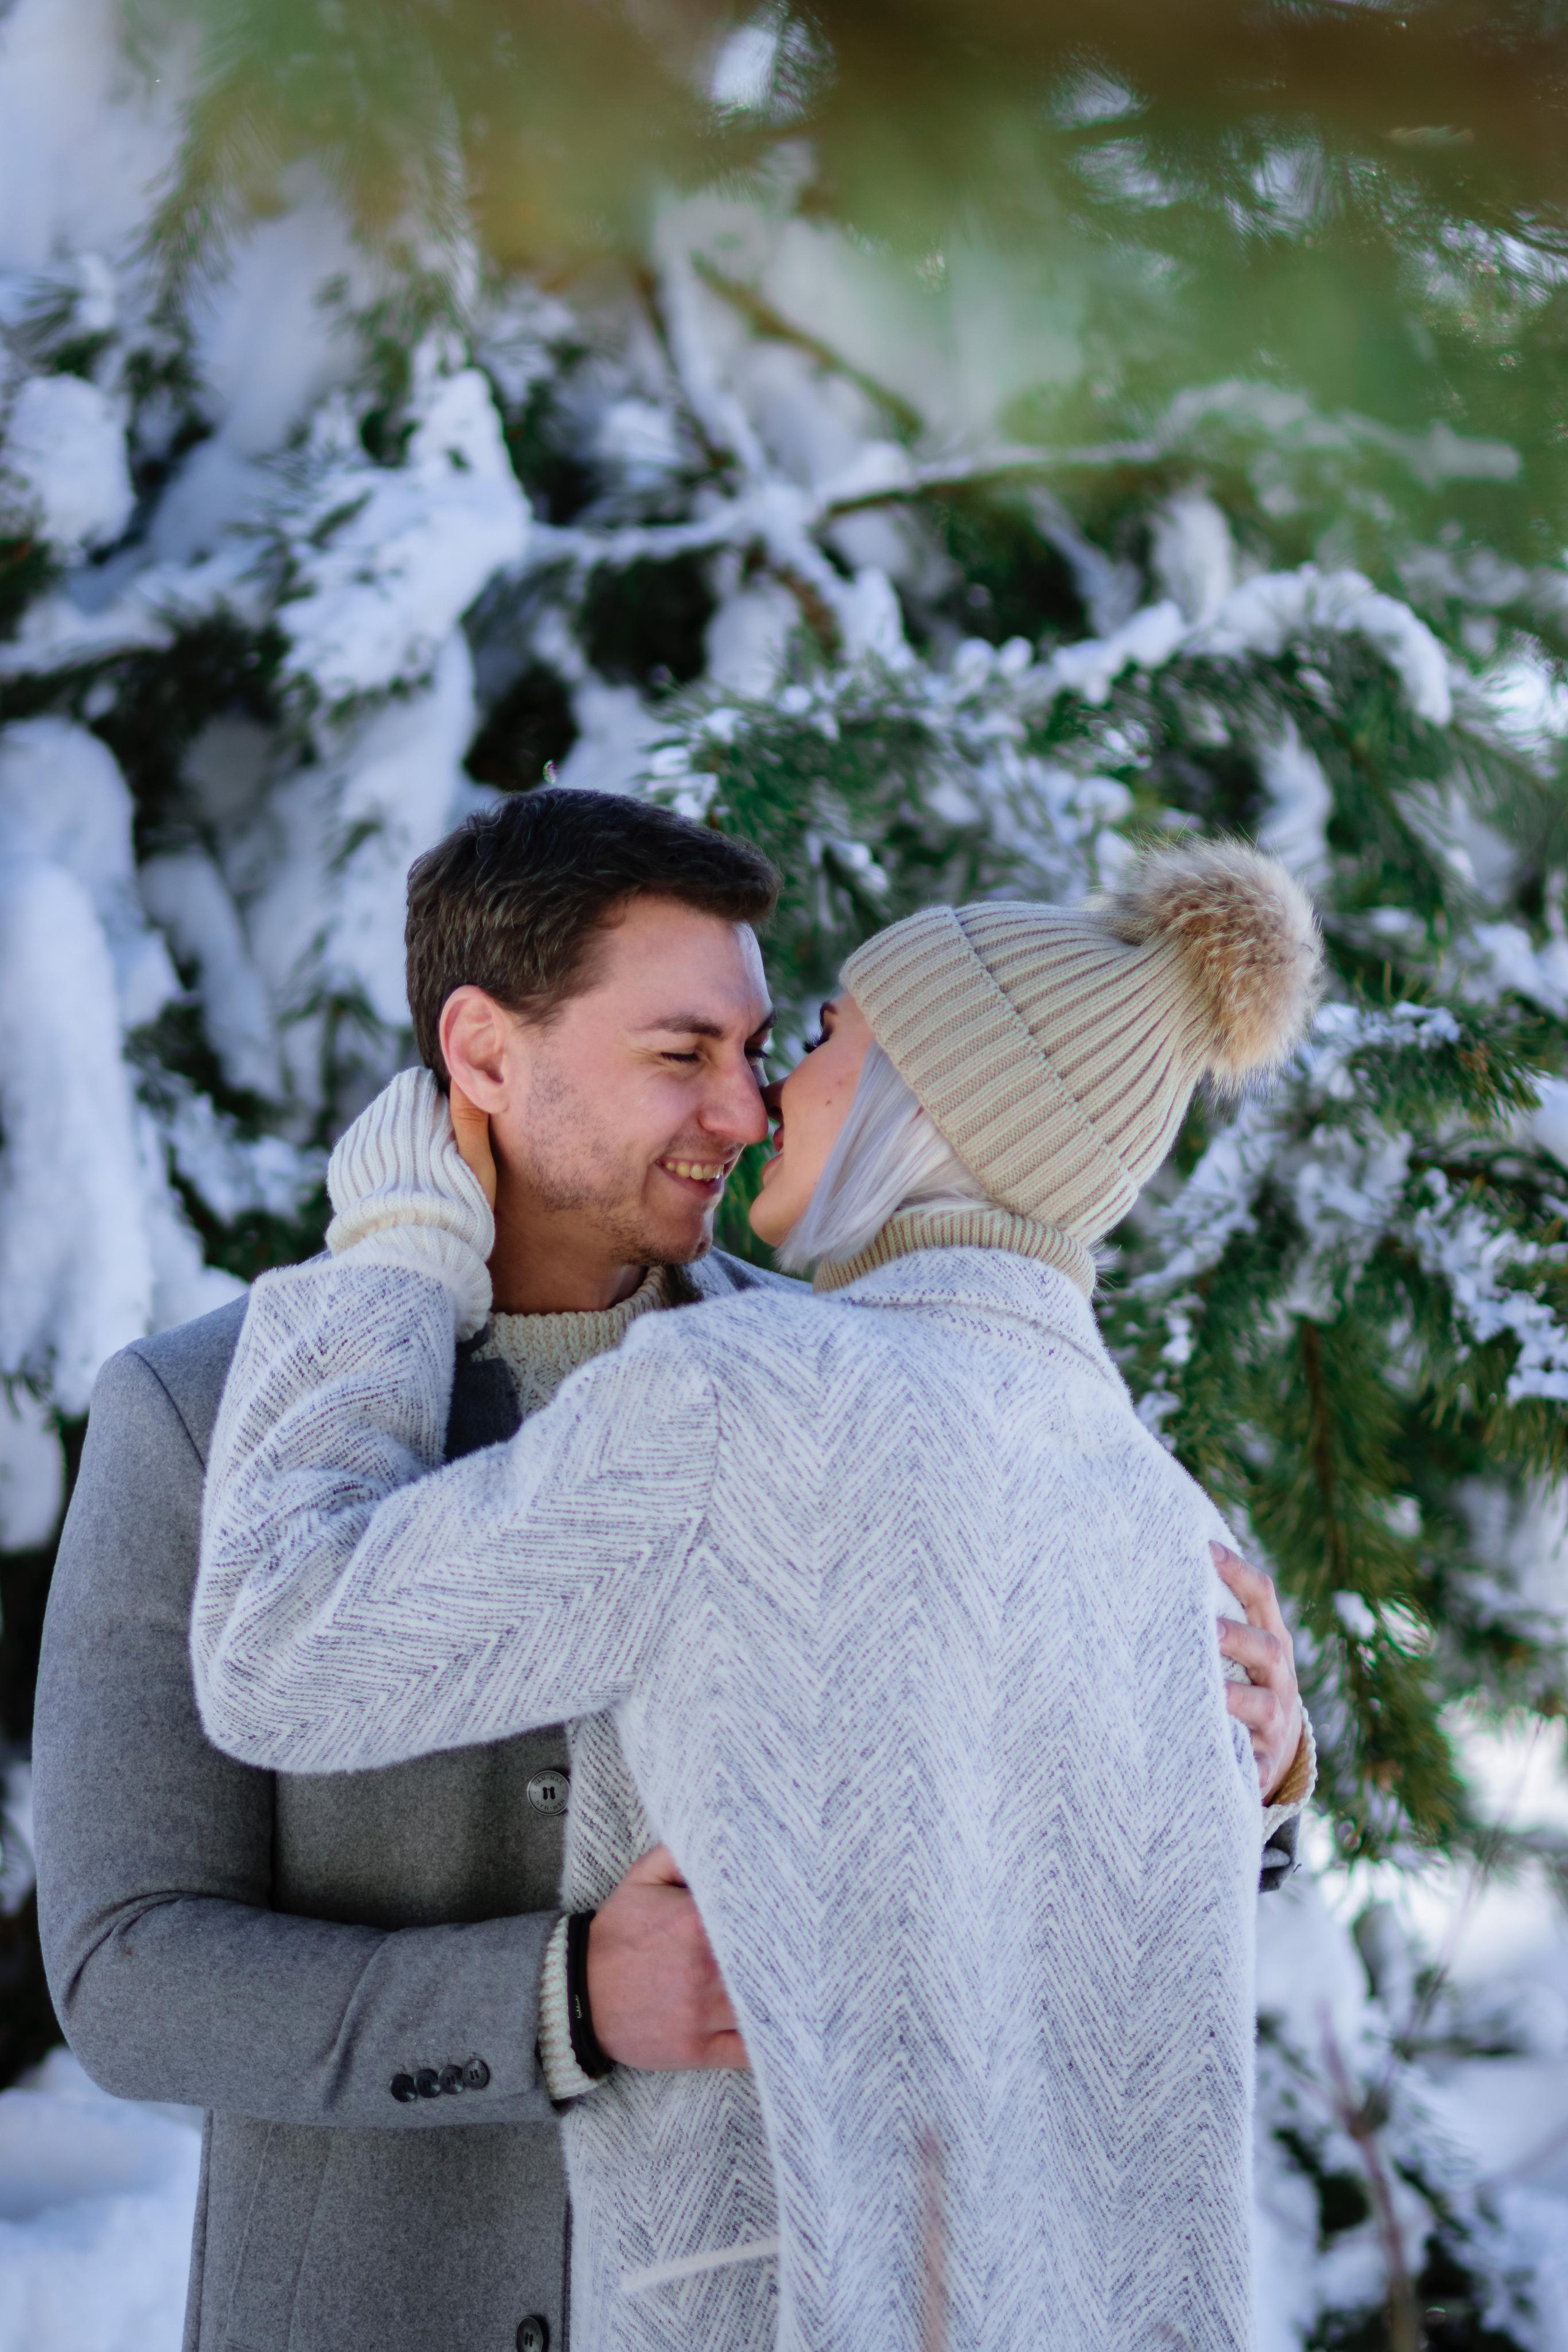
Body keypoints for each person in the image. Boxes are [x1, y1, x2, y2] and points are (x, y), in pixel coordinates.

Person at [190, 835, 1322, 2352]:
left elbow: (283, 1651)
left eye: (831, 1039)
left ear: (942, 1099)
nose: (773, 1093)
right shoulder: (1170, 1512)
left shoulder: (744, 1396)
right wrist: (1270, 1785)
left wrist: (391, 1261)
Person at [32, 790, 790, 2352]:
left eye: (751, 1052)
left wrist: (1238, 1765)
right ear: (484, 1051)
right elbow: (129, 1971)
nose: (745, 1111)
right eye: (680, 1054)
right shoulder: (194, 1415)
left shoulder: (820, 1394)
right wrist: (557, 2002)